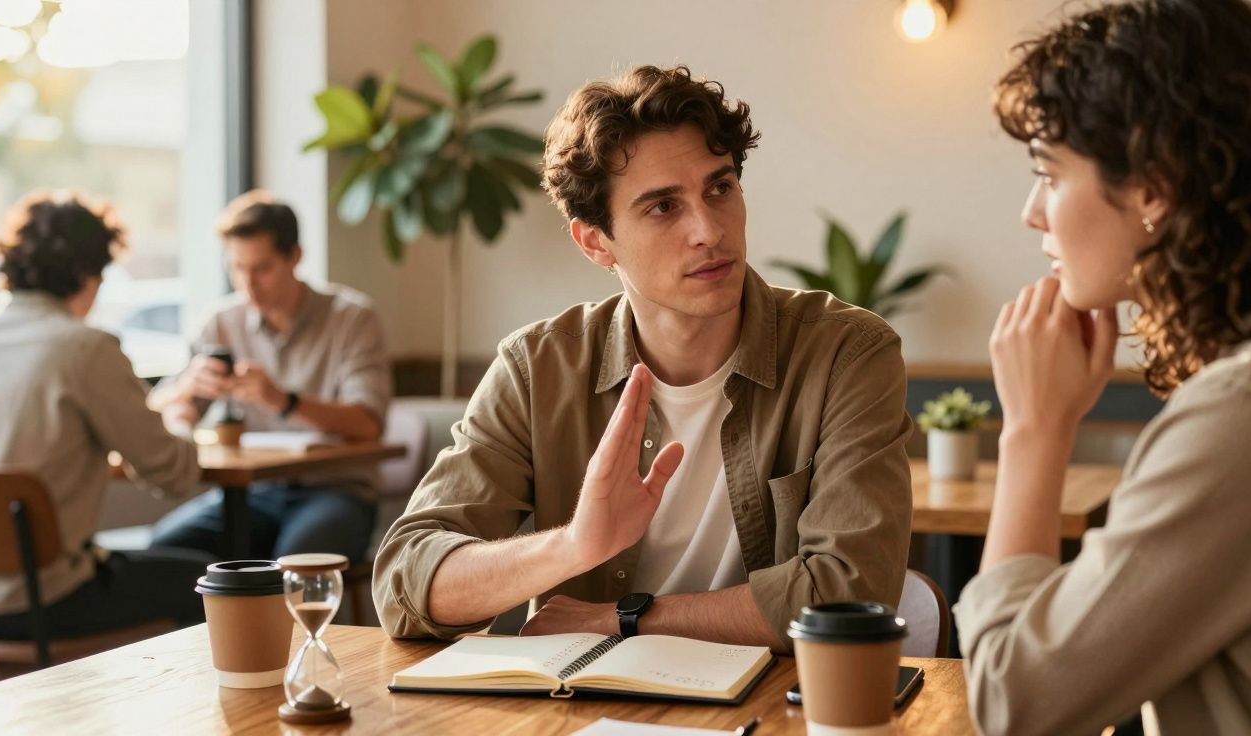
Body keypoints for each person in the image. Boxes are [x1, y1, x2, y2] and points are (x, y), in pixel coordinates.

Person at [373, 65, 912, 651]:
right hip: (586, 704)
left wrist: (625, 619)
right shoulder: (538, 368)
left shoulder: (845, 352)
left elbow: (851, 592)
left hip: (772, 703)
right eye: (662, 207)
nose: (709, 230)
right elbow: (407, 580)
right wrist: (574, 544)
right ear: (595, 242)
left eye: (719, 187)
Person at [953, 1, 1251, 733]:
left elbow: (1012, 702)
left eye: (1050, 173)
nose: (1034, 212)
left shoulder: (1244, 413)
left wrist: (1033, 431)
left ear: (1154, 187)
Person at [0, 192, 211, 639]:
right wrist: (183, 417)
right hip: (44, 600)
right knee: (220, 585)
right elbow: (174, 475)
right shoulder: (84, 348)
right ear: (88, 275)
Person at [146, 191, 391, 563]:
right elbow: (160, 408)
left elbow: (368, 424)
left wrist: (283, 400)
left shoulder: (351, 318)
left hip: (337, 490)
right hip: (253, 493)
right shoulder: (221, 323)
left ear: (294, 257)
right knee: (167, 552)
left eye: (261, 268)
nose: (248, 284)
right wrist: (185, 390)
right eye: (236, 269)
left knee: (293, 565)